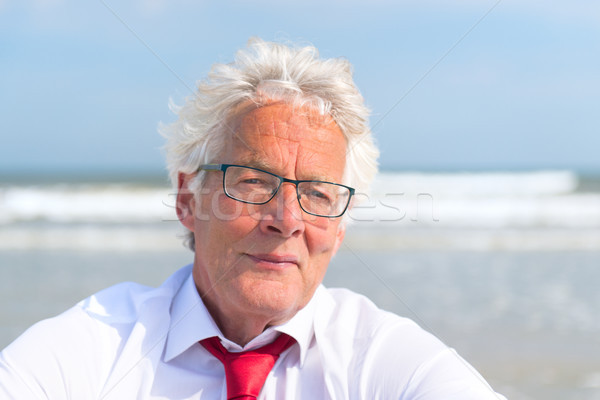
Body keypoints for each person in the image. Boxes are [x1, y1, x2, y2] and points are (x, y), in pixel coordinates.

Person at [0, 38, 506, 399]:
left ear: (340, 224)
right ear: (187, 200)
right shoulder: (100, 342)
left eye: (318, 193)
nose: (286, 219)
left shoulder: (381, 359)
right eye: (254, 181)